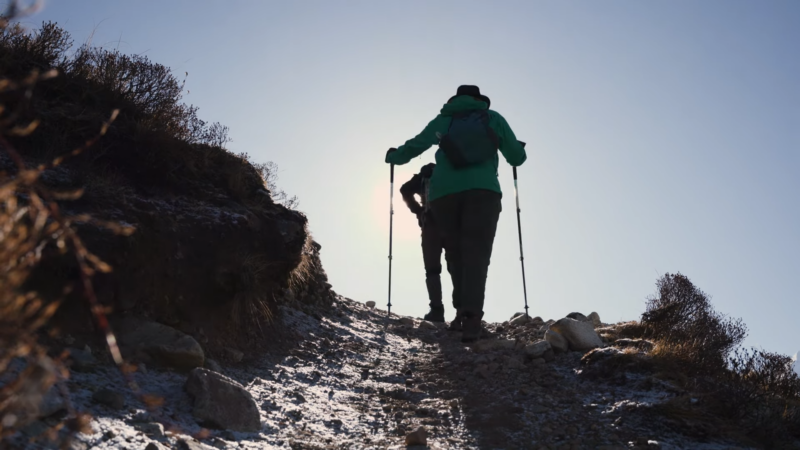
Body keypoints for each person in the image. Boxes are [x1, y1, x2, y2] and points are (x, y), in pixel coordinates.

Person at [385, 85, 527, 342]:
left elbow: (416, 145)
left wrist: (395, 157)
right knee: (477, 253)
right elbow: (516, 158)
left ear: (456, 99)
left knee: (454, 253)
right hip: (483, 192)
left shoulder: (445, 119)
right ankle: (472, 319)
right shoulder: (493, 118)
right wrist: (519, 149)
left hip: (443, 195)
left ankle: (460, 313)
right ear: (479, 99)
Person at [399, 163, 447, 322]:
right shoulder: (451, 171)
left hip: (430, 224)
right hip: (453, 226)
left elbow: (405, 190)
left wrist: (419, 211)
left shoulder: (424, 176)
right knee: (458, 268)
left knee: (432, 269)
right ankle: (463, 312)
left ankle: (437, 309)